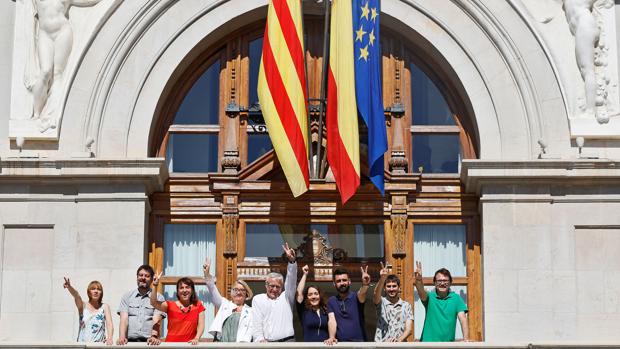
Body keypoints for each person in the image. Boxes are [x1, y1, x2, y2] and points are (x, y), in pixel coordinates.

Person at [23, 0, 104, 131]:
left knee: (58, 74)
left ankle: (53, 113)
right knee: (45, 71)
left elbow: (86, 1)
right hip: (45, 34)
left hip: (63, 32)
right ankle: (36, 114)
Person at [251, 243, 297, 342]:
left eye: (278, 287)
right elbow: (256, 322)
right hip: (267, 344)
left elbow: (291, 280)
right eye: (272, 286)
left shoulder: (286, 297)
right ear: (266, 285)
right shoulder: (258, 299)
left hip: (288, 342)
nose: (275, 289)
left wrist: (292, 262)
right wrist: (259, 339)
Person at [414, 261, 469, 342]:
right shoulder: (429, 297)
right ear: (435, 283)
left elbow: (463, 318)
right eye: (439, 281)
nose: (442, 283)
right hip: (427, 344)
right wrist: (418, 280)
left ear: (450, 282)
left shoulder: (456, 298)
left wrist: (466, 339)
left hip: (447, 345)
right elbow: (421, 291)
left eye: (445, 280)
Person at [203, 257, 254, 342]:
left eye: (242, 290)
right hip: (221, 344)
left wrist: (244, 344)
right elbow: (212, 289)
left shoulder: (251, 311)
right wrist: (207, 274)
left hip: (240, 346)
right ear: (232, 293)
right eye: (236, 290)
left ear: (246, 294)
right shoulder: (224, 304)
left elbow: (250, 330)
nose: (238, 292)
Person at [149, 273, 205, 345]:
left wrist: (197, 338)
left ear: (192, 290)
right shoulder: (170, 305)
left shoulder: (198, 305)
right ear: (178, 292)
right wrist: (155, 285)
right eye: (181, 288)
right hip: (171, 346)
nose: (184, 290)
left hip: (189, 346)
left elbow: (201, 325)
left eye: (187, 287)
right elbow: (153, 303)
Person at [116, 264, 166, 344]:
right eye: (140, 275)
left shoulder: (158, 298)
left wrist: (154, 336)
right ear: (137, 277)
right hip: (129, 342)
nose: (143, 278)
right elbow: (124, 319)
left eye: (147, 276)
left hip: (149, 342)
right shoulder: (127, 296)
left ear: (152, 279)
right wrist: (122, 337)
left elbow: (157, 319)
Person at [325, 266, 371, 344]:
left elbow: (362, 293)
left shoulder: (356, 297)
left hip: (360, 343)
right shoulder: (331, 301)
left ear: (349, 281)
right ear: (334, 284)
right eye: (339, 281)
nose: (342, 283)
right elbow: (332, 320)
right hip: (341, 344)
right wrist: (332, 337)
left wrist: (365, 285)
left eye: (344, 280)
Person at [63, 277, 113, 344]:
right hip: (82, 345)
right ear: (89, 292)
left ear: (101, 293)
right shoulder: (83, 306)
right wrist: (69, 287)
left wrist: (109, 338)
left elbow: (109, 324)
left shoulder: (104, 307)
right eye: (93, 289)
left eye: (99, 289)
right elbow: (77, 296)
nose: (96, 291)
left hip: (99, 345)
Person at [372, 262, 413, 342]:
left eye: (394, 286)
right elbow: (375, 293)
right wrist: (382, 279)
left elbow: (409, 329)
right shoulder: (381, 302)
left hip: (400, 346)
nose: (391, 289)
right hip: (381, 346)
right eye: (388, 286)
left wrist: (398, 340)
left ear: (399, 288)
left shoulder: (406, 305)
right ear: (384, 288)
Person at [296, 264, 329, 342]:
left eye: (316, 293)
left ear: (320, 295)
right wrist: (304, 274)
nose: (313, 297)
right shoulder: (304, 311)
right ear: (307, 297)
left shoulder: (325, 310)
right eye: (310, 294)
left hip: (326, 347)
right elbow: (299, 292)